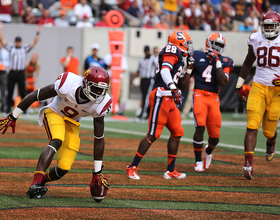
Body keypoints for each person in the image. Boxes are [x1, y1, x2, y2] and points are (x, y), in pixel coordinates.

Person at [0, 66, 111, 199]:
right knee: (57, 139)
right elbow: (36, 95)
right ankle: (35, 182)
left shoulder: (102, 103)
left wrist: (97, 171)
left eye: (102, 90)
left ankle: (40, 183)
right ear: (85, 83)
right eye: (96, 88)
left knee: (64, 167)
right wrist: (13, 115)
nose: (99, 93)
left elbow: (99, 138)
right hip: (55, 113)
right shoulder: (68, 84)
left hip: (73, 123)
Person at [126, 30, 194, 180]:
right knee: (153, 134)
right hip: (161, 95)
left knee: (177, 131)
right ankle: (132, 167)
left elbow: (181, 85)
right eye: (186, 43)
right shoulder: (172, 49)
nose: (188, 46)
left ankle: (170, 170)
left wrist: (189, 69)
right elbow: (164, 70)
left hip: (170, 98)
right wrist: (172, 87)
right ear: (179, 42)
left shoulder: (179, 56)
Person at [235, 11, 280, 180]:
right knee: (252, 125)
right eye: (266, 25)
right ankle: (248, 164)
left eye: (271, 26)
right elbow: (248, 62)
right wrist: (239, 84)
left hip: (277, 92)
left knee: (269, 131)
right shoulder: (255, 38)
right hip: (258, 87)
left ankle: (271, 141)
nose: (268, 29)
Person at [181, 32, 234, 172]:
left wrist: (217, 62)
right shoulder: (197, 56)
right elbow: (184, 80)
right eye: (215, 44)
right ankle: (198, 160)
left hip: (214, 98)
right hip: (199, 94)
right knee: (200, 126)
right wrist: (189, 67)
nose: (217, 47)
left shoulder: (225, 61)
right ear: (208, 43)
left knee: (215, 136)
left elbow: (224, 81)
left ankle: (208, 151)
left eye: (220, 45)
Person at [0, 22, 41, 113]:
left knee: (23, 92)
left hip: (21, 72)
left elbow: (34, 43)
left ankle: (25, 111)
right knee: (10, 92)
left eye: (19, 41)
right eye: (17, 41)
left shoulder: (24, 49)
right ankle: (7, 110)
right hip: (12, 72)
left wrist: (37, 33)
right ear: (15, 42)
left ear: (21, 42)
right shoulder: (11, 48)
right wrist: (1, 29)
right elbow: (2, 40)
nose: (18, 43)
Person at [131, 45, 157, 121]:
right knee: (144, 96)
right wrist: (132, 79)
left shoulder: (153, 59)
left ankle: (142, 114)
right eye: (145, 50)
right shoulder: (141, 59)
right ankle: (148, 114)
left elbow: (157, 69)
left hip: (150, 80)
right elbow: (138, 70)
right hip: (143, 80)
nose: (147, 52)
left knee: (147, 97)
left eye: (148, 50)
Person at [0, 40, 9, 113]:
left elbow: (9, 62)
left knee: (3, 90)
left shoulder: (5, 52)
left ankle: (3, 107)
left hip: (3, 72)